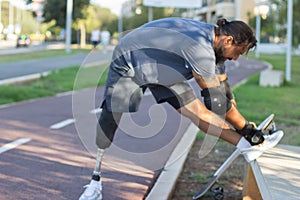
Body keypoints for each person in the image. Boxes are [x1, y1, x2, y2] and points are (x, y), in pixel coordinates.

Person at [79, 18, 283, 200]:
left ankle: (246, 146)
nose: (236, 59)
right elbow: (216, 103)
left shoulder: (217, 46)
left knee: (194, 111)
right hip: (129, 58)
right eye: (238, 53)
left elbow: (224, 92)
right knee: (111, 116)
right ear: (228, 40)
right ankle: (95, 182)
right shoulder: (200, 47)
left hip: (161, 66)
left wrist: (246, 131)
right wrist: (247, 128)